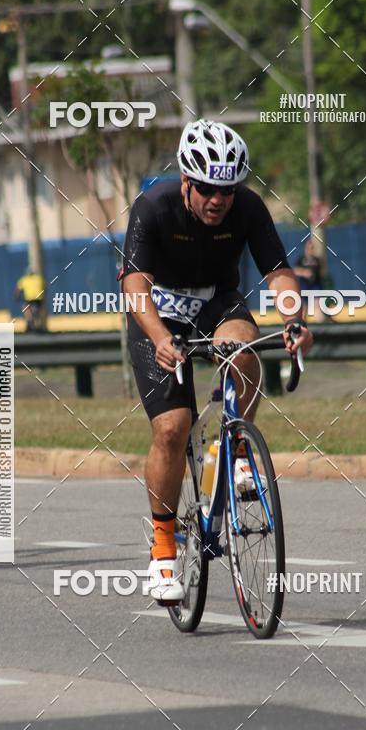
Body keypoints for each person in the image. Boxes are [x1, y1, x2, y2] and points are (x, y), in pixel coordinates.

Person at [122, 119, 312, 604]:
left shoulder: (247, 207)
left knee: (244, 346)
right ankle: (164, 547)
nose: (217, 200)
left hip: (215, 301)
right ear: (186, 181)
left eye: (226, 190)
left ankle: (235, 447)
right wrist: (163, 338)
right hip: (157, 314)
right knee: (173, 426)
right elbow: (135, 288)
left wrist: (293, 319)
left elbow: (278, 273)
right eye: (207, 188)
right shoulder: (153, 207)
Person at [14, 266, 45, 332]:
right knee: (37, 311)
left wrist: (16, 297)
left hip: (29, 299)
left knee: (26, 309)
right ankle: (38, 325)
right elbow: (44, 288)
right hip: (38, 299)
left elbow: (18, 290)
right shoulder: (39, 278)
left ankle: (30, 322)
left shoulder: (24, 279)